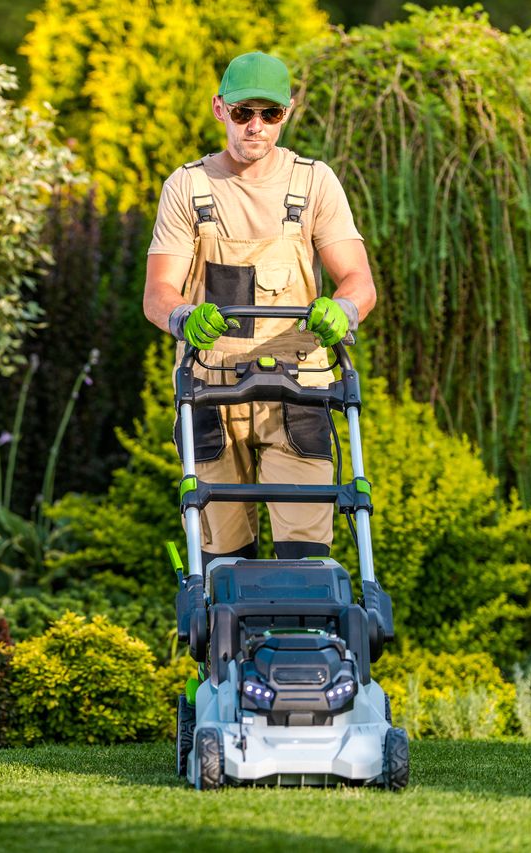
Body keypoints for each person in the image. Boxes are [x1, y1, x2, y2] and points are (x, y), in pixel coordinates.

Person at [143, 51, 377, 562]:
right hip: (212, 390)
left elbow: (358, 280)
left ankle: (307, 637)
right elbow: (158, 292)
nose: (256, 127)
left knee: (306, 559)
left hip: (297, 390)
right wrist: (184, 316)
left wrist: (344, 308)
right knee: (225, 563)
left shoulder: (313, 182)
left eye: (269, 115)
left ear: (286, 113)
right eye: (244, 112)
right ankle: (229, 640)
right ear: (219, 109)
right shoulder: (188, 187)